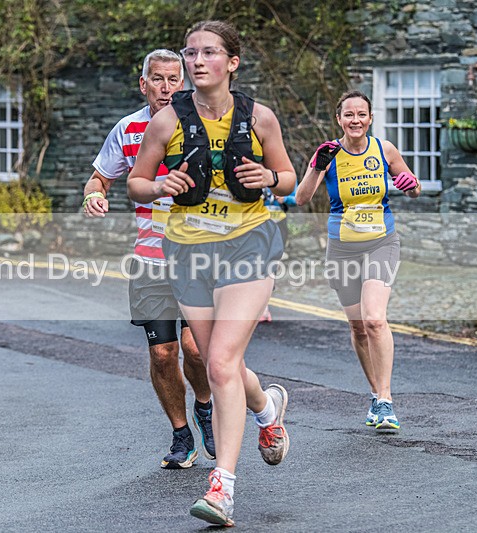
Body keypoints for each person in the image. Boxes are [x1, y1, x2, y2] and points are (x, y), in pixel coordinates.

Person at [128, 21, 295, 527]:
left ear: (232, 62)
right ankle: (267, 410)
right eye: (191, 53)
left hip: (248, 249)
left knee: (218, 361)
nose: (197, 62)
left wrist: (268, 177)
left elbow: (287, 177)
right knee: (224, 366)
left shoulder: (259, 118)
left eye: (208, 53)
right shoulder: (165, 123)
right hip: (188, 256)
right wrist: (160, 187)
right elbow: (135, 182)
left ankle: (221, 487)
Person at [82, 49, 215, 470]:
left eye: (174, 79)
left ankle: (206, 405)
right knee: (162, 354)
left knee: (196, 350)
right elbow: (100, 175)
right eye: (157, 79)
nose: (166, 87)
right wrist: (94, 194)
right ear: (144, 84)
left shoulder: (206, 124)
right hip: (150, 259)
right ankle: (181, 436)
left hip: (198, 255)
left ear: (185, 83)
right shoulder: (129, 129)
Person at [295, 90, 421, 433]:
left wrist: (410, 185)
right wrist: (315, 165)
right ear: (339, 119)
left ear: (370, 118)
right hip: (342, 248)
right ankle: (374, 394)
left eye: (361, 114)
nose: (355, 120)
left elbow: (412, 187)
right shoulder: (330, 153)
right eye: (348, 114)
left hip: (381, 242)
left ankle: (386, 399)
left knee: (375, 319)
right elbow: (302, 198)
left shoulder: (384, 150)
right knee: (357, 327)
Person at [259, 182, 298, 323]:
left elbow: (298, 197)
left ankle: (264, 307)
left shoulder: (284, 172)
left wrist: (285, 199)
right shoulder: (253, 167)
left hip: (278, 224)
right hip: (256, 224)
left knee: (271, 264)